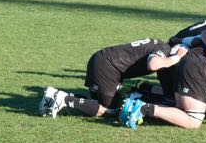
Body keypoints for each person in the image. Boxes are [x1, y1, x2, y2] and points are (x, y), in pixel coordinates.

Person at [40, 38, 187, 120]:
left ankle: (56, 97)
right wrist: (177, 57)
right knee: (109, 111)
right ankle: (64, 99)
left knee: (97, 104)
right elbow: (153, 64)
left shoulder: (158, 43)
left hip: (101, 59)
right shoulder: (165, 50)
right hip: (107, 68)